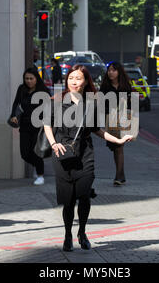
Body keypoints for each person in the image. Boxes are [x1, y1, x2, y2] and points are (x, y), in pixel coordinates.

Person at [43, 64, 133, 252]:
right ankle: (68, 234)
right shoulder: (57, 100)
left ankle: (82, 232)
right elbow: (47, 125)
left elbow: (96, 130)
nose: (74, 82)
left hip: (85, 153)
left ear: (86, 82)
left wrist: (117, 139)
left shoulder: (91, 103)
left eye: (78, 78)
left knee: (84, 194)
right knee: (68, 200)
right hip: (62, 152)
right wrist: (53, 144)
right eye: (71, 78)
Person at [10, 67, 51, 185]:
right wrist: (14, 115)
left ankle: (40, 175)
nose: (28, 81)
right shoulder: (21, 89)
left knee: (36, 152)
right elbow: (16, 103)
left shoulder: (43, 91)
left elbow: (49, 109)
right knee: (24, 153)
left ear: (36, 79)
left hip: (38, 126)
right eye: (26, 78)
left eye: (31, 78)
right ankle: (38, 166)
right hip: (25, 125)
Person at [99, 61, 132, 186]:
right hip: (111, 118)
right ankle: (121, 175)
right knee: (115, 147)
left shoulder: (126, 86)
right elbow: (101, 104)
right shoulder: (105, 87)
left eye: (114, 70)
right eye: (109, 70)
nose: (111, 72)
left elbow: (131, 103)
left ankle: (118, 176)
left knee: (119, 146)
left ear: (119, 72)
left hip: (124, 118)